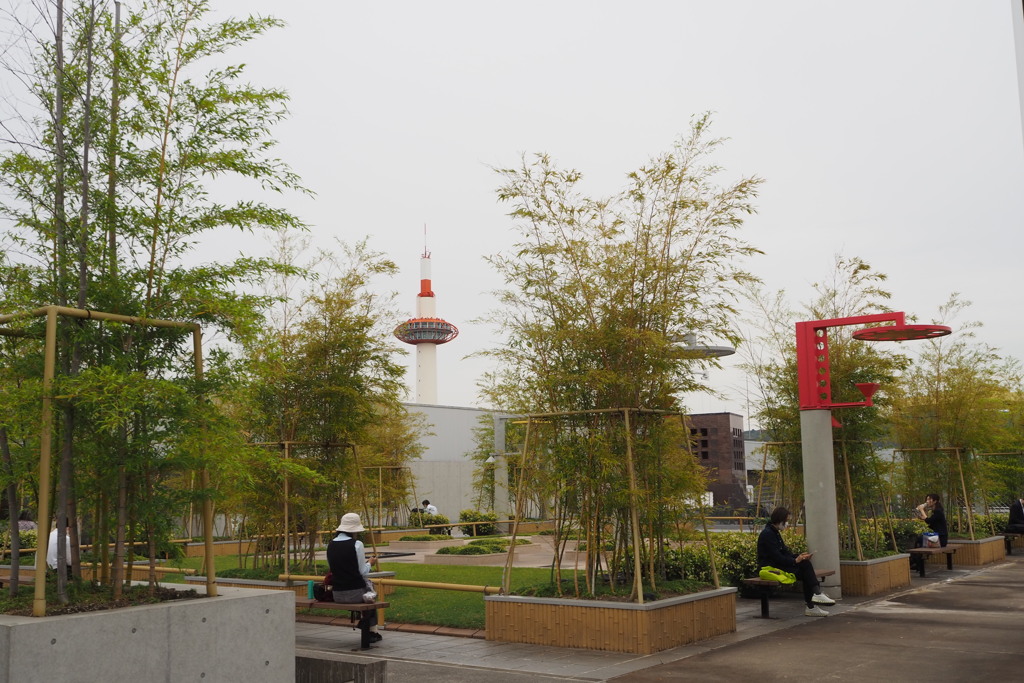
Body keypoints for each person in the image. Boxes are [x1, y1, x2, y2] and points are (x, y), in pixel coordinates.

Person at [756, 507, 835, 617]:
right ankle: (814, 599)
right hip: (770, 568)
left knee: (805, 567)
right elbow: (777, 557)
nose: (787, 524)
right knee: (805, 568)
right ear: (779, 520)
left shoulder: (774, 532)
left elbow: (784, 552)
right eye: (786, 521)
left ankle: (813, 602)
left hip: (778, 565)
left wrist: (799, 556)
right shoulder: (767, 534)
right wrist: (795, 560)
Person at [326, 513, 381, 644]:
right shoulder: (357, 544)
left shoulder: (330, 545)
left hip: (337, 594)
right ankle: (372, 631)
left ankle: (368, 627)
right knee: (371, 593)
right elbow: (362, 572)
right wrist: (370, 563)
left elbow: (332, 569)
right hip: (355, 593)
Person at [911, 493, 948, 573]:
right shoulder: (935, 511)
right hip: (938, 537)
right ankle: (917, 562)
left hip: (940, 539)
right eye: (927, 499)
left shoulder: (938, 512)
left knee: (919, 539)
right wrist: (922, 518)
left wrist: (921, 510)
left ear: (935, 501)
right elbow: (931, 524)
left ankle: (917, 563)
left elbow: (929, 520)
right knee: (919, 539)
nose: (927, 501)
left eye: (929, 499)